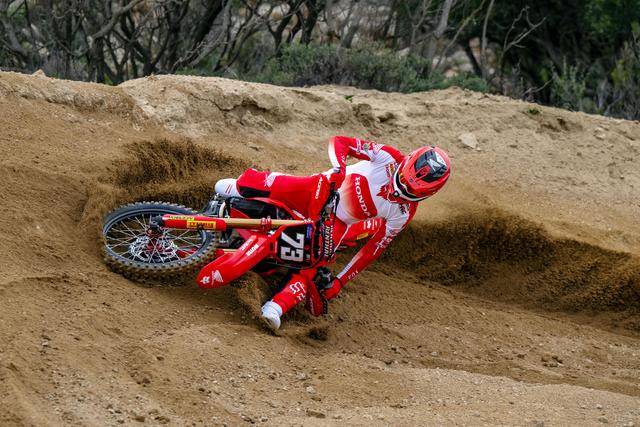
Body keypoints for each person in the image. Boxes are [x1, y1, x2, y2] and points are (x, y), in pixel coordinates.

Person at [214, 136, 451, 330]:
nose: (399, 190)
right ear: (407, 161)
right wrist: (340, 168)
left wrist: (340, 281)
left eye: (410, 190)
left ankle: (276, 308)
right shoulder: (388, 156)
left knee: (314, 262)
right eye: (402, 180)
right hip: (321, 189)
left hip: (336, 222)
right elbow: (340, 141)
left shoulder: (403, 213)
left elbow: (372, 250)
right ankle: (228, 194)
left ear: (428, 193)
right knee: (241, 185)